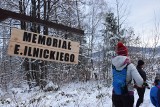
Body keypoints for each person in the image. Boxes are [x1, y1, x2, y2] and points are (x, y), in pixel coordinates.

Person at [112, 42, 143, 107]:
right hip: (127, 94)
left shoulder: (113, 65)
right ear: (126, 53)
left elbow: (112, 77)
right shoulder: (130, 65)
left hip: (115, 93)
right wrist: (137, 85)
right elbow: (140, 82)